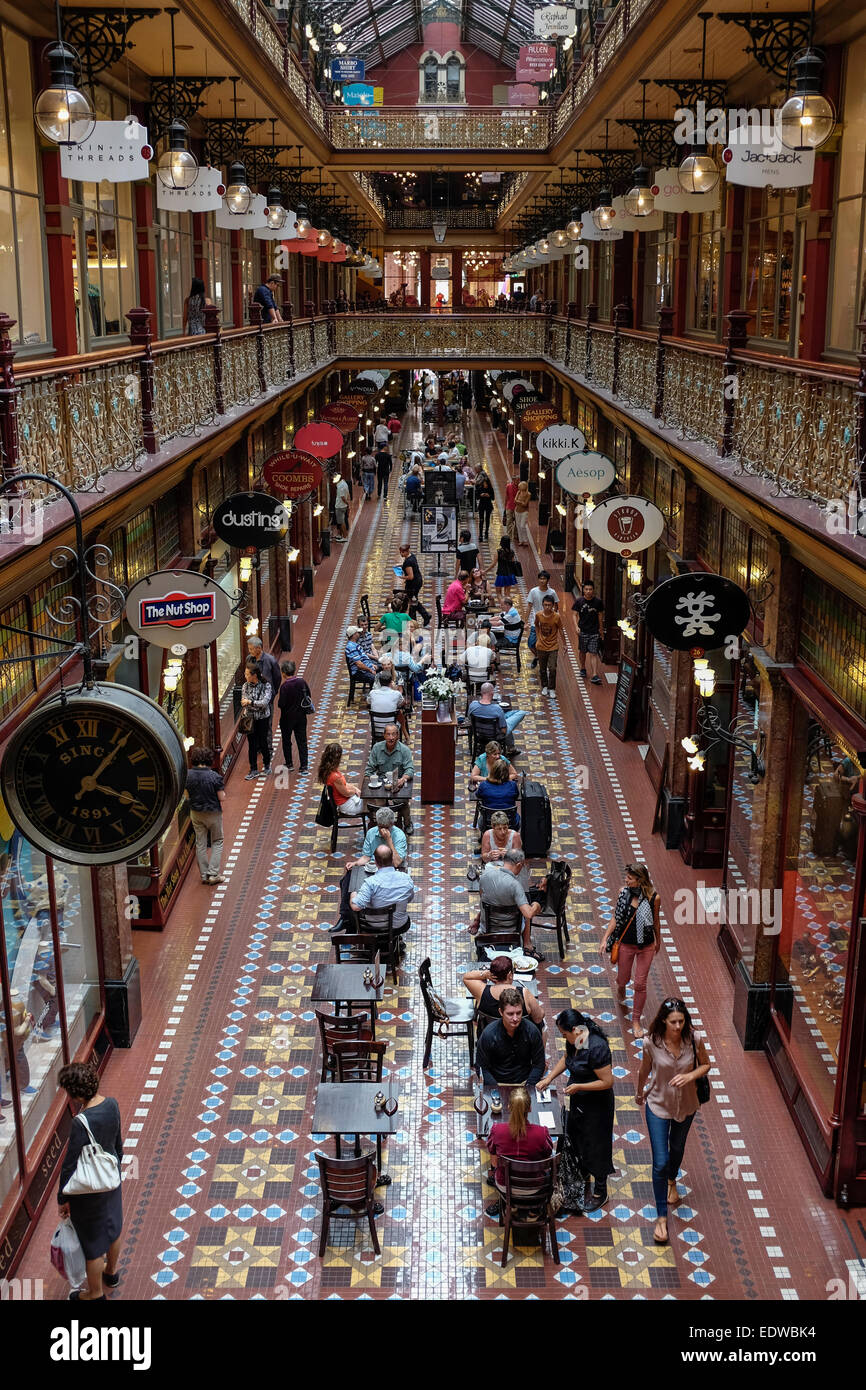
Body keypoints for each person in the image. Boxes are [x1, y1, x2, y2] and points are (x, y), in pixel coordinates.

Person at [635, 998, 711, 1246]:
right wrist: (639, 1092)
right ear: (663, 1022)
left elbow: (707, 1064)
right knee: (660, 1161)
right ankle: (661, 1219)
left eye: (682, 1021)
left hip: (687, 1105)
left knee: (677, 1148)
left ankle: (672, 1181)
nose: (678, 1026)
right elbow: (644, 1070)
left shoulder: (694, 1039)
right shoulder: (651, 1043)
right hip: (658, 1105)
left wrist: (689, 1075)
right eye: (674, 1022)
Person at [57, 1062, 123, 1301]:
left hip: (88, 1192)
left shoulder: (80, 1122)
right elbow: (118, 1143)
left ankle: (94, 1294)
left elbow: (70, 1163)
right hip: (111, 1180)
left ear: (75, 1093)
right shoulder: (112, 1104)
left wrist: (62, 1198)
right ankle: (111, 1273)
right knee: (113, 1229)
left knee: (93, 1244)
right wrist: (116, 1168)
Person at [538, 1008, 615, 1213]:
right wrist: (549, 1078)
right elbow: (567, 1058)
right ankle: (576, 1176)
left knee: (596, 1144)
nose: (564, 1037)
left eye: (564, 1034)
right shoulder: (578, 1038)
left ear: (574, 1029)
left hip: (597, 1106)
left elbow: (607, 1082)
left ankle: (601, 1191)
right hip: (578, 1100)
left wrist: (580, 1086)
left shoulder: (597, 1047)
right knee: (573, 1136)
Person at [600, 863, 662, 1038]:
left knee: (640, 984)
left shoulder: (654, 898)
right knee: (623, 978)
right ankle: (621, 985)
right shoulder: (624, 893)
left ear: (640, 880)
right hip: (626, 943)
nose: (626, 880)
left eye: (629, 878)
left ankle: (636, 1020)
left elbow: (656, 920)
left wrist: (659, 940)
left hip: (646, 945)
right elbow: (616, 917)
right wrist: (605, 939)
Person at [483, 1084, 553, 1218]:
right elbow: (547, 1156)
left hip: (506, 1186)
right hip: (535, 1187)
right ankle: (534, 1210)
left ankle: (509, 1204)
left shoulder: (497, 1130)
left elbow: (494, 1161)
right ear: (530, 1108)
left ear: (508, 1107)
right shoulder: (542, 1132)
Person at [475, 989, 546, 1086]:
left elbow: (539, 1064)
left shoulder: (532, 1031)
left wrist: (529, 1086)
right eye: (510, 1014)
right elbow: (481, 1067)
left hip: (525, 1081)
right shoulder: (489, 1034)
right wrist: (495, 1089)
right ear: (501, 1012)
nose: (515, 1018)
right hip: (497, 1083)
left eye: (519, 1013)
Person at [478, 849, 540, 954]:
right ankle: (527, 943)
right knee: (526, 908)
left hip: (488, 927)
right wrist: (536, 906)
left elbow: (482, 897)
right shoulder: (515, 885)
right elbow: (528, 914)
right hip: (511, 930)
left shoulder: (485, 876)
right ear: (519, 865)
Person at [462, 957, 543, 1027]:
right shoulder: (525, 993)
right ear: (510, 975)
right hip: (520, 1038)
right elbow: (538, 1019)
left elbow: (466, 977)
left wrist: (485, 974)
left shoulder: (481, 992)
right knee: (543, 1024)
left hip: (491, 1039)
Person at [350, 844, 414, 931]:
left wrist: (353, 894)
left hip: (374, 926)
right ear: (392, 859)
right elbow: (409, 899)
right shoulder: (406, 878)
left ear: (375, 862)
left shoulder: (370, 883)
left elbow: (356, 907)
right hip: (399, 925)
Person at [185, 745, 226, 884]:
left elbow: (186, 795)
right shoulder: (214, 776)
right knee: (217, 841)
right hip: (213, 813)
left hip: (196, 813)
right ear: (209, 760)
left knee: (200, 843)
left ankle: (204, 875)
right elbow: (222, 797)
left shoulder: (188, 775)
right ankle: (213, 874)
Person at [365, 724, 415, 834]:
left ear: (397, 735)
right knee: (377, 803)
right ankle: (380, 826)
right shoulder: (377, 748)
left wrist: (402, 779)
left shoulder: (404, 750)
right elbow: (369, 770)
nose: (391, 737)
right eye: (388, 734)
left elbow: (410, 770)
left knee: (402, 802)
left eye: (393, 734)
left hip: (398, 785)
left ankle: (407, 823)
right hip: (381, 784)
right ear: (384, 735)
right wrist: (374, 780)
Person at [467, 681, 526, 748]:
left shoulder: (473, 705)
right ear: (492, 693)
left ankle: (511, 747)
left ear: (481, 692)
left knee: (504, 717)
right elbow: (504, 730)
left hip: (479, 734)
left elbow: (470, 719)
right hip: (496, 736)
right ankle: (511, 747)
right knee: (521, 713)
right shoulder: (497, 709)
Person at [277, 659, 311, 774]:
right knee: (302, 741)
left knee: (287, 741)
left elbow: (281, 704)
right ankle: (304, 765)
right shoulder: (302, 682)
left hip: (287, 719)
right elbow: (308, 696)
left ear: (283, 673)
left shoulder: (284, 687)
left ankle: (289, 763)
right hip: (301, 717)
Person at [347, 805, 407, 870]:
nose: (383, 831)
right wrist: (355, 863)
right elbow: (366, 857)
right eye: (380, 827)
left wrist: (389, 840)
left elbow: (396, 863)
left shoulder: (399, 835)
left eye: (386, 828)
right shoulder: (371, 833)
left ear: (392, 824)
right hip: (375, 867)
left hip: (394, 869)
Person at [241, 660, 273, 780]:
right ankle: (253, 769)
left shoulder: (266, 685)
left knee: (263, 742)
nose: (245, 676)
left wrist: (251, 702)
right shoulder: (245, 686)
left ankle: (267, 764)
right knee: (252, 745)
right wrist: (253, 704)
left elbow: (265, 703)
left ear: (254, 675)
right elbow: (244, 702)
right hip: (250, 720)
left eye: (247, 674)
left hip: (263, 719)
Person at [573, 579, 605, 685]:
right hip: (583, 631)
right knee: (582, 651)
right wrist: (576, 626)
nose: (588, 591)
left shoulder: (598, 602)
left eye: (590, 589)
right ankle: (583, 668)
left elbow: (600, 616)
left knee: (593, 653)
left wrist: (601, 630)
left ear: (593, 590)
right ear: (583, 590)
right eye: (586, 589)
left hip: (594, 632)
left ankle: (594, 675)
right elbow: (574, 614)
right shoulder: (579, 601)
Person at [318, 742, 363, 816]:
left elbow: (344, 785)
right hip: (348, 805)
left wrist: (354, 788)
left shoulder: (329, 771)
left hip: (346, 802)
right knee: (373, 804)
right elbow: (346, 793)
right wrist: (355, 791)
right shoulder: (335, 776)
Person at [524, 571, 558, 669]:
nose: (542, 581)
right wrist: (525, 622)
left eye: (544, 579)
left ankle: (545, 659)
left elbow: (556, 607)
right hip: (536, 622)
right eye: (541, 578)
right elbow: (529, 607)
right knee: (531, 643)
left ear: (548, 580)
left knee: (546, 644)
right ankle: (538, 656)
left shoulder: (552, 592)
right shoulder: (533, 591)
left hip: (549, 623)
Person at [535, 593, 564, 699]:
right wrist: (538, 637)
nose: (547, 607)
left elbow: (561, 629)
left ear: (553, 606)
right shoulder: (538, 615)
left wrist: (564, 644)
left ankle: (552, 688)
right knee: (542, 668)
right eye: (545, 605)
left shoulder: (557, 617)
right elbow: (536, 625)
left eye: (549, 605)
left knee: (552, 668)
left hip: (553, 646)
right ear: (542, 604)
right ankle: (544, 686)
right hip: (541, 646)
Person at [477, 759, 520, 824]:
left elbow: (478, 795)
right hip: (510, 822)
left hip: (488, 822)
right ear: (507, 772)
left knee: (481, 819)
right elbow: (516, 795)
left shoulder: (483, 785)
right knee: (518, 818)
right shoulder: (513, 785)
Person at [398, 542, 430, 626]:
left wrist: (402, 577)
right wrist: (401, 565)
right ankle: (414, 618)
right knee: (413, 600)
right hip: (418, 581)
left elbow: (410, 576)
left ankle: (425, 616)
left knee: (413, 600)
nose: (401, 554)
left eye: (402, 552)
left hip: (413, 584)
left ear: (406, 551)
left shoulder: (408, 561)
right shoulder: (411, 556)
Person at [368, 669, 407, 738]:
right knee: (400, 715)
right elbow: (402, 703)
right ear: (390, 682)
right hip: (392, 729)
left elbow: (368, 702)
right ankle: (406, 737)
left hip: (376, 727)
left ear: (379, 682)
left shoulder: (372, 693)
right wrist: (394, 688)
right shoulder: (396, 694)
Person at [246, 634, 281, 699]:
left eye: (251, 649)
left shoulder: (270, 660)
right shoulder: (249, 659)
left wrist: (273, 692)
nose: (249, 651)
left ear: (259, 648)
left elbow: (277, 678)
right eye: (249, 649)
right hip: (253, 695)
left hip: (267, 695)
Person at [476, 471, 494, 542]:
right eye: (484, 483)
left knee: (487, 519)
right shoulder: (480, 488)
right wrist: (481, 495)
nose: (485, 485)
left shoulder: (490, 489)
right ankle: (480, 534)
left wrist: (488, 495)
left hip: (488, 505)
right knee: (481, 519)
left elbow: (493, 497)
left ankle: (486, 531)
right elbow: (477, 497)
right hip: (482, 505)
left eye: (486, 484)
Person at [513, 480, 531, 546]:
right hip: (517, 510)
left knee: (522, 526)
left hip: (524, 511)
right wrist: (521, 502)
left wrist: (519, 502)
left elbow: (525, 504)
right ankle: (521, 540)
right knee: (518, 526)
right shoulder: (519, 492)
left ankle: (525, 540)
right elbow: (515, 501)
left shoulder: (528, 494)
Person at [503, 472, 520, 540]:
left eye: (518, 480)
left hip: (517, 507)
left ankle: (515, 534)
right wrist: (505, 506)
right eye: (517, 480)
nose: (518, 481)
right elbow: (506, 496)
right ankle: (509, 535)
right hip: (509, 506)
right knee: (509, 521)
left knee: (517, 521)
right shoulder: (508, 486)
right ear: (513, 480)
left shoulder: (520, 487)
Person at [333, 475, 350, 540]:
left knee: (341, 522)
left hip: (340, 506)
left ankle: (345, 537)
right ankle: (340, 535)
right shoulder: (344, 483)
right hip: (342, 506)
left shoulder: (340, 486)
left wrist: (347, 504)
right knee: (341, 521)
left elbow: (343, 497)